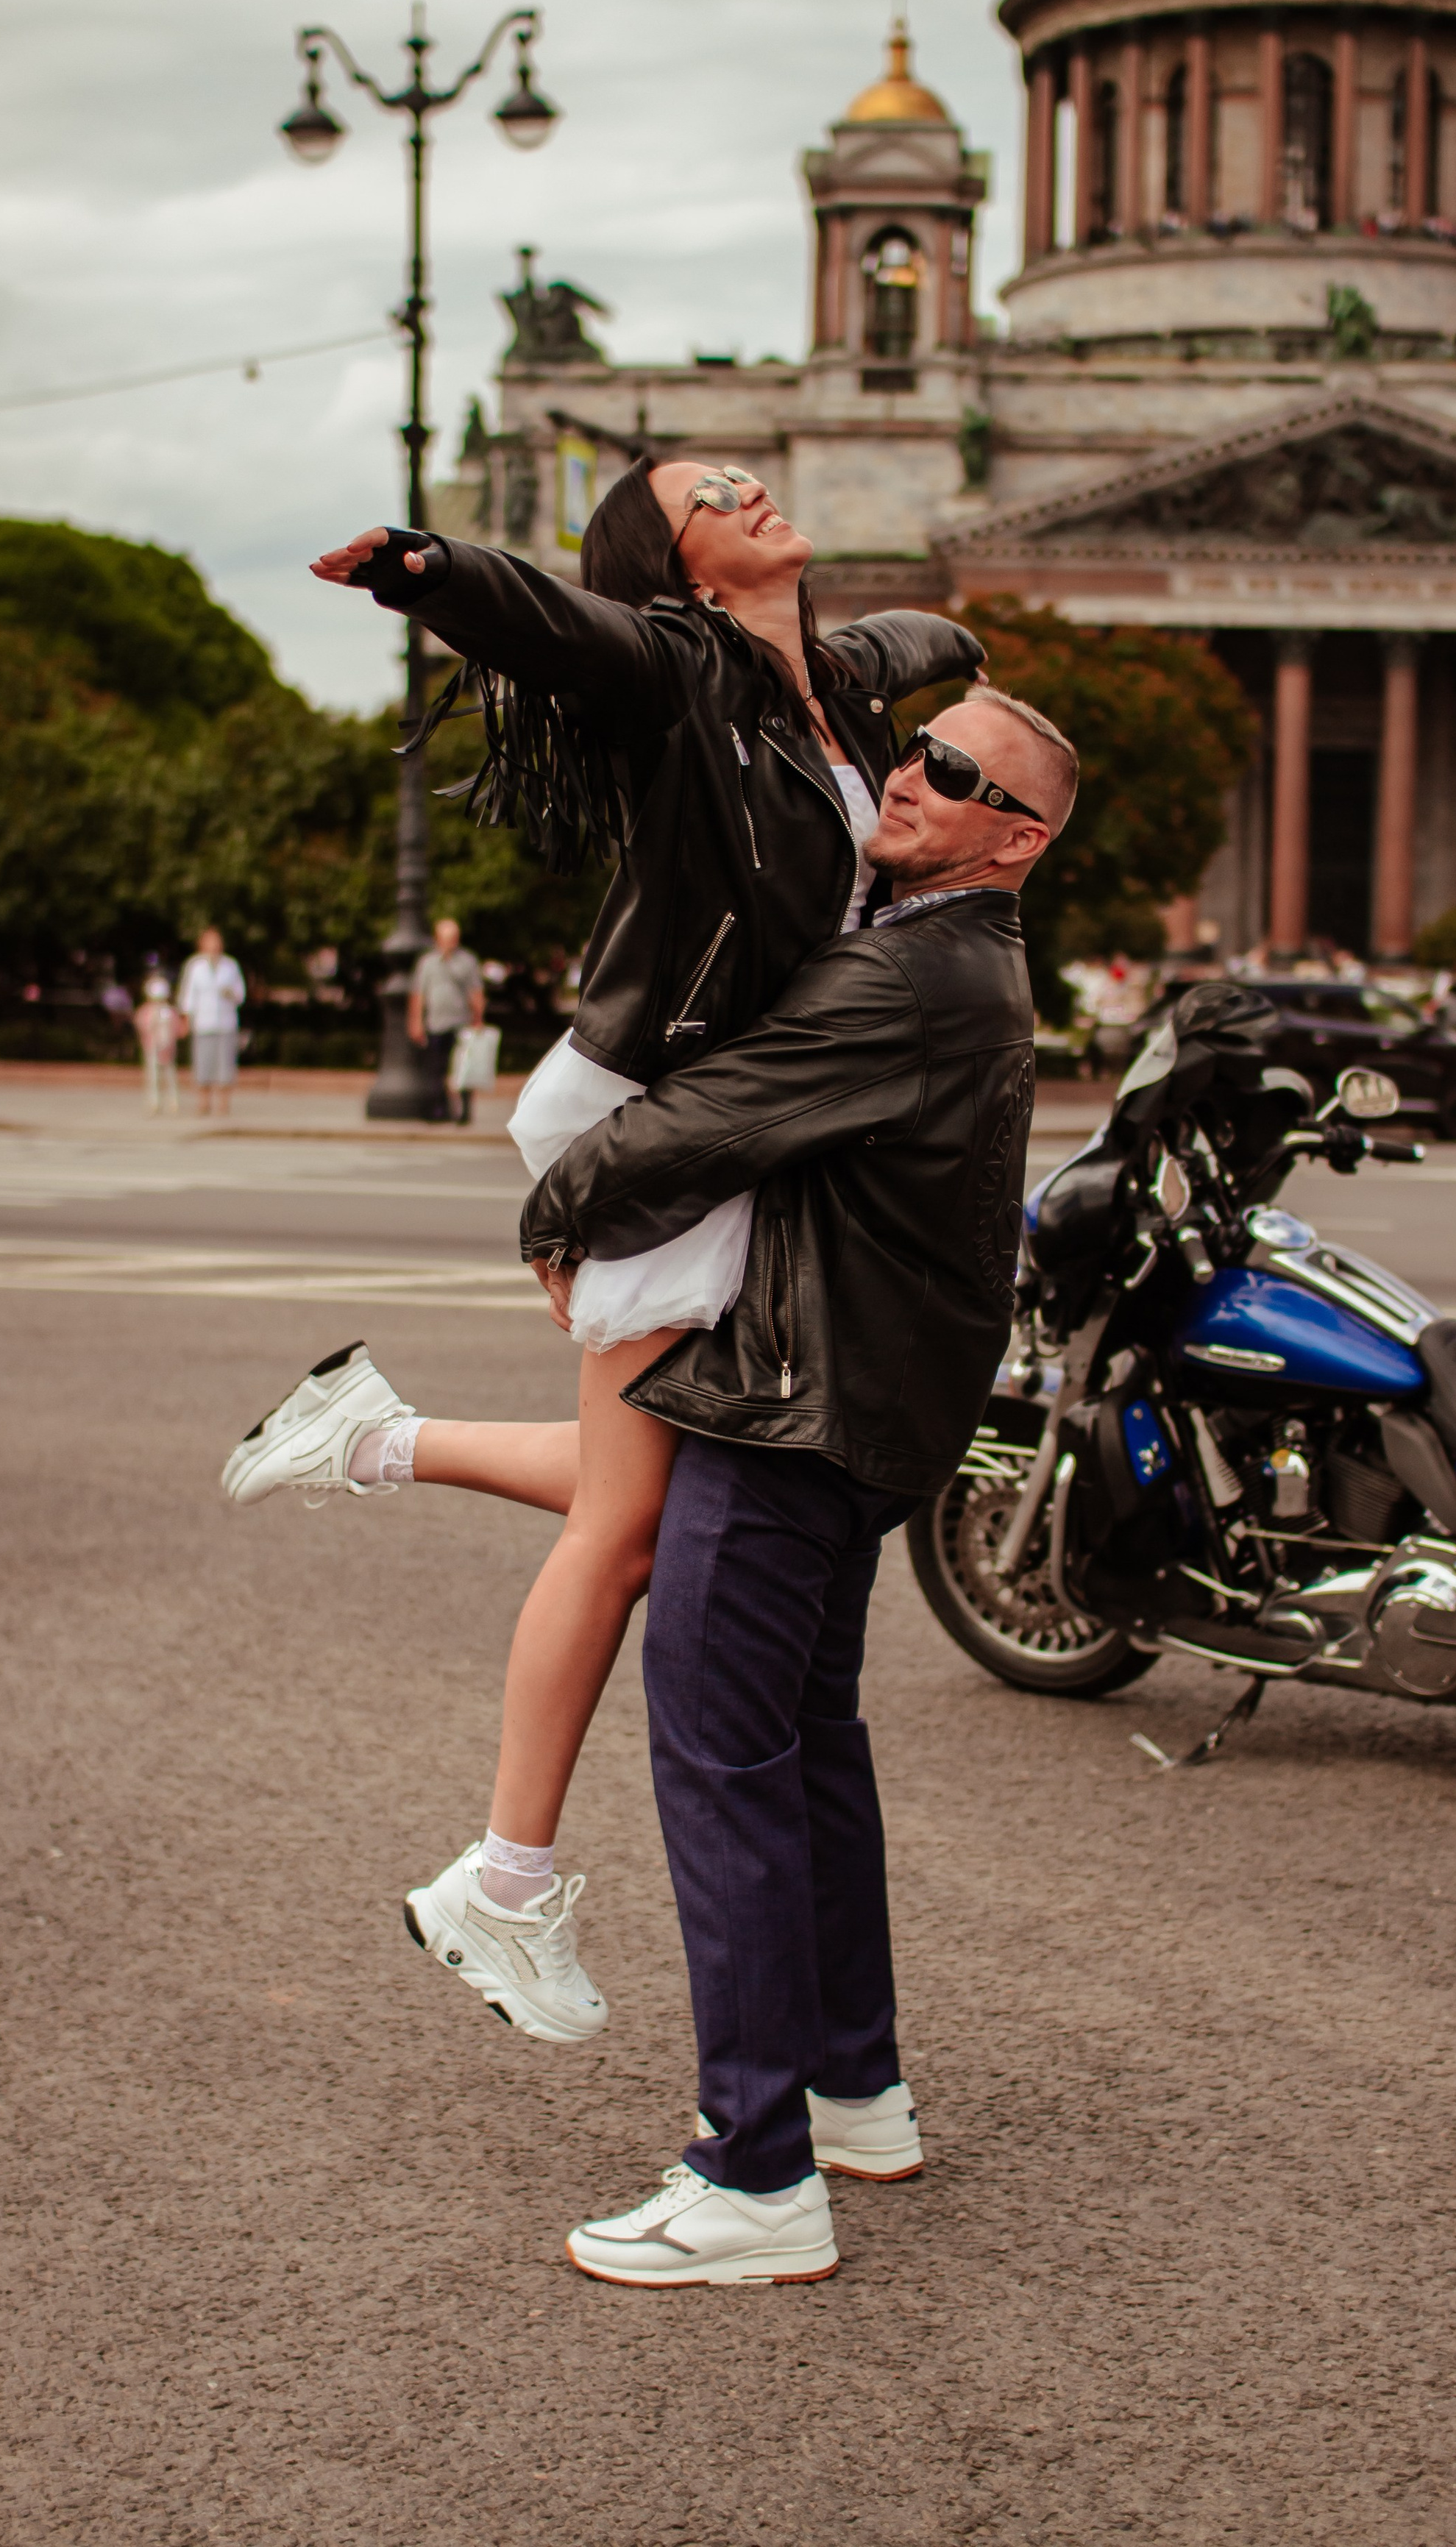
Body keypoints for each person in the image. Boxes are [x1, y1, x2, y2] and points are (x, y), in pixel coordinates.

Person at [221, 460, 983, 2038]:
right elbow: (567, 636)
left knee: (682, 1478)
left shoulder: (826, 689)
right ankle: (499, 1888)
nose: (752, 483)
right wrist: (428, 571)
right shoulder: (684, 670)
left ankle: (374, 1435)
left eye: (749, 468)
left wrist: (962, 677)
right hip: (653, 1121)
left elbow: (922, 643)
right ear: (679, 567)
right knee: (638, 1525)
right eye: (714, 489)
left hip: (722, 1117)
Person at [522, 689, 1072, 2282]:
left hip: (791, 1407)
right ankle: (852, 2091)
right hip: (864, 1407)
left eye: (954, 775)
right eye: (914, 750)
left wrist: (556, 1203)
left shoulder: (907, 969)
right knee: (805, 1753)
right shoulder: (959, 960)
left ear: (1018, 836)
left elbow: (715, 1111)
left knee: (722, 1768)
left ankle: (752, 2176)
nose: (911, 777)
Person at [409, 916, 486, 1124]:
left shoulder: (467, 961)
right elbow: (419, 995)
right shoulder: (428, 963)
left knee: (463, 1070)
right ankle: (439, 1110)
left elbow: (476, 992)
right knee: (437, 1070)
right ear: (437, 939)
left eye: (453, 938)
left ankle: (464, 1111)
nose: (450, 942)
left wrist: (478, 1019)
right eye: (446, 938)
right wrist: (416, 1022)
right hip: (436, 1024)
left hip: (462, 1023)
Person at [177, 927, 246, 1118]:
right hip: (203, 1022)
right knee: (203, 1062)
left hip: (226, 1021)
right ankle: (203, 1102)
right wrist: (186, 1020)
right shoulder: (194, 966)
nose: (214, 945)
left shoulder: (231, 966)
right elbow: (188, 996)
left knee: (225, 1064)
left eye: (217, 941)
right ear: (202, 944)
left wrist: (231, 994)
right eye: (210, 941)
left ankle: (224, 1104)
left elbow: (241, 994)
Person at [133, 970, 180, 1115]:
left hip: (168, 1047)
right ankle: (154, 1101)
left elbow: (176, 1027)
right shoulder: (146, 1011)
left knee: (169, 1075)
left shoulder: (169, 1011)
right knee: (153, 1076)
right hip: (152, 1046)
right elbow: (142, 1025)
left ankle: (173, 1101)